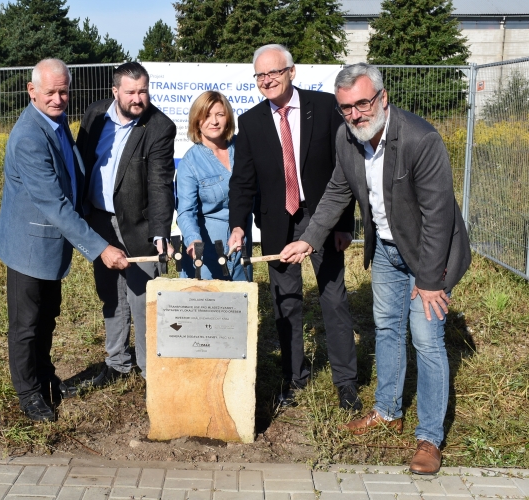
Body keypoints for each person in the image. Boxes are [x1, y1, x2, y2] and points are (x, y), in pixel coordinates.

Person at [282, 63, 472, 474]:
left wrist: (429, 282)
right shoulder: (347, 137)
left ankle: (429, 438)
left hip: (428, 256)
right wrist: (309, 238)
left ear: (383, 98)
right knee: (387, 328)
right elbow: (337, 191)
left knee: (426, 339)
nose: (355, 114)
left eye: (363, 103)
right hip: (385, 252)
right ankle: (388, 410)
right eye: (346, 107)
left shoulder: (422, 140)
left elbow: (438, 217)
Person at [228, 44, 360, 410]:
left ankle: (346, 381)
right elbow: (242, 181)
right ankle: (294, 377)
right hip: (277, 225)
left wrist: (344, 224)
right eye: (260, 75)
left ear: (291, 72)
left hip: (323, 219)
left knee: (334, 299)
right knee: (286, 302)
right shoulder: (251, 122)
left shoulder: (324, 108)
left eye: (274, 72)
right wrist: (238, 226)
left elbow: (344, 169)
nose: (267, 80)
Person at [0, 59, 129, 422]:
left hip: (51, 245)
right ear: (32, 90)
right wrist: (100, 247)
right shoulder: (28, 137)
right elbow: (53, 204)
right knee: (26, 325)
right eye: (50, 92)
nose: (58, 99)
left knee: (47, 317)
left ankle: (46, 380)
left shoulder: (54, 122)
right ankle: (29, 394)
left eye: (63, 91)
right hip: (29, 246)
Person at [77, 62, 176, 387]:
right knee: (111, 294)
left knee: (143, 297)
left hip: (139, 224)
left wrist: (160, 230)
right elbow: (82, 162)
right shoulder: (94, 115)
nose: (138, 98)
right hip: (99, 220)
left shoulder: (159, 126)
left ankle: (151, 372)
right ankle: (117, 363)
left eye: (143, 91)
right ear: (115, 91)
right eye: (131, 92)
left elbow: (160, 182)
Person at [176, 91, 252, 281]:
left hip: (241, 243)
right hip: (207, 249)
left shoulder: (243, 147)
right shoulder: (190, 162)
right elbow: (186, 211)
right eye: (207, 116)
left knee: (241, 306)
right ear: (197, 120)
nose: (214, 121)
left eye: (220, 114)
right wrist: (193, 240)